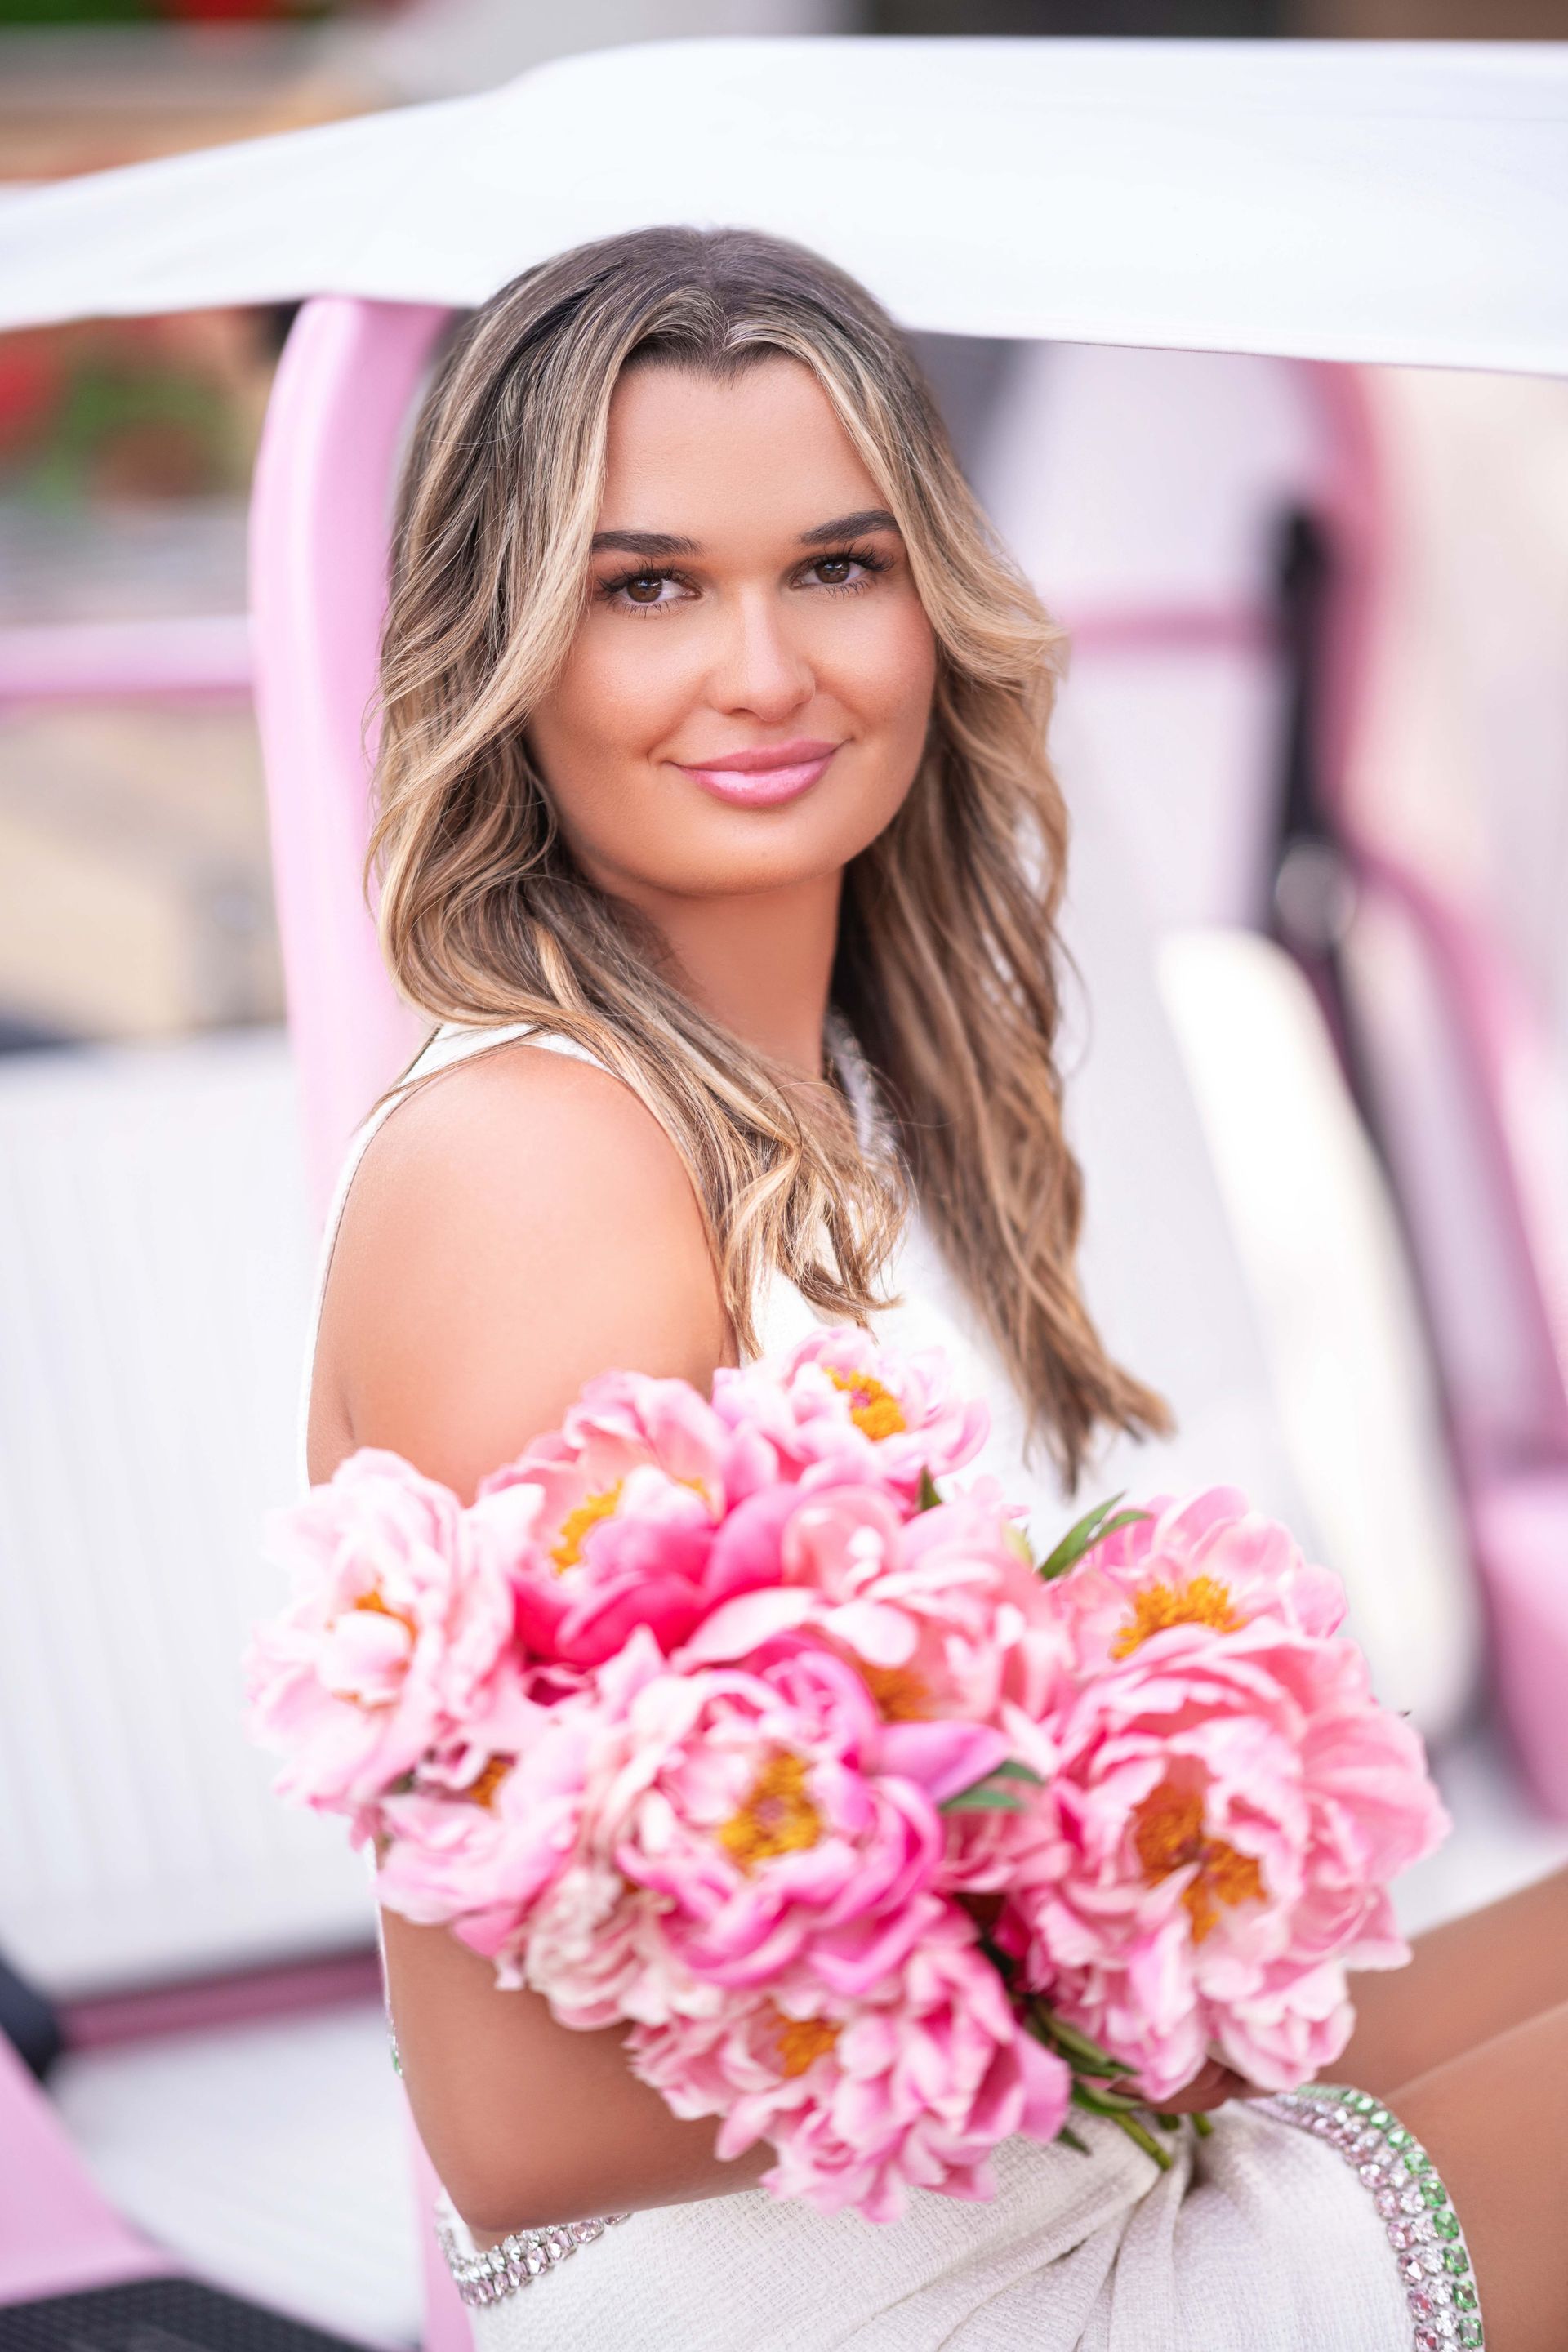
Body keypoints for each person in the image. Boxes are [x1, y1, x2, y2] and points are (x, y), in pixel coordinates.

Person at [303, 227, 1566, 2352]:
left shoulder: (842, 1103)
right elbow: (520, 2133)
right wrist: (1098, 1883)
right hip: (826, 2298)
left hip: (1012, 2182)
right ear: (507, 651)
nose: (768, 671)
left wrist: (1185, 1892)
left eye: (837, 564)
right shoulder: (545, 1161)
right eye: (646, 586)